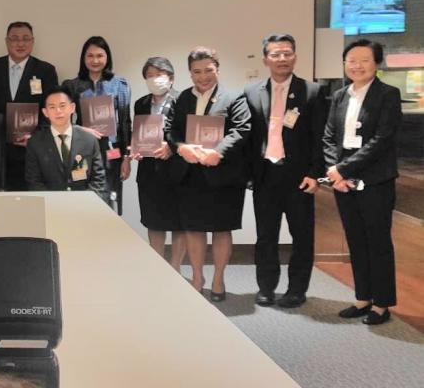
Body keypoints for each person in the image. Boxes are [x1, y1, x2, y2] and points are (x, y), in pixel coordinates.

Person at [323, 39, 402, 326]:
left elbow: (382, 140)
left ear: (377, 63)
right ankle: (363, 298)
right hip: (344, 182)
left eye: (364, 60)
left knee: (377, 241)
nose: (357, 66)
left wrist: (342, 169)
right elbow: (329, 136)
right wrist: (335, 171)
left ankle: (382, 304)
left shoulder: (388, 95)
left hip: (375, 180)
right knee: (355, 239)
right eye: (351, 60)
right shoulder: (340, 95)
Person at [244, 35, 325, 308]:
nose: (282, 59)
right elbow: (248, 137)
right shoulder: (251, 92)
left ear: (295, 57)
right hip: (265, 176)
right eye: (276, 54)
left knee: (302, 236)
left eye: (287, 53)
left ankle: (296, 290)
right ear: (265, 59)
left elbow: (319, 137)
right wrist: (248, 174)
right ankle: (266, 288)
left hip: (299, 178)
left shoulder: (312, 91)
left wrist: (315, 174)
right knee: (266, 236)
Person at [164, 46, 250, 301]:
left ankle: (218, 279)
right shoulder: (182, 98)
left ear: (217, 69)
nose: (203, 76)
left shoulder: (234, 97)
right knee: (194, 229)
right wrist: (181, 147)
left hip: (223, 175)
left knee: (222, 229)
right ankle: (198, 277)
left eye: (208, 70)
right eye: (197, 71)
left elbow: (241, 129)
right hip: (190, 174)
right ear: (190, 73)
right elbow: (170, 130)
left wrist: (219, 152)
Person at [0, 21, 59, 191]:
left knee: (31, 195)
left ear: (32, 41)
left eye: (25, 39)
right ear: (6, 41)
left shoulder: (46, 70)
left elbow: (51, 109)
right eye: (15, 39)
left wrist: (36, 136)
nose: (20, 43)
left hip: (32, 147)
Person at [61, 36, 131, 210]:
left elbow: (125, 123)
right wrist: (80, 129)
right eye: (90, 56)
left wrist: (126, 158)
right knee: (82, 203)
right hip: (81, 151)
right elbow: (61, 122)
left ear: (107, 57)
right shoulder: (72, 85)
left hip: (111, 153)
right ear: (83, 58)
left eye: (100, 56)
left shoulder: (119, 85)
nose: (95, 60)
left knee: (109, 202)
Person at [130, 56, 184, 269]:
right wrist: (135, 149)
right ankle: (159, 266)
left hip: (177, 170)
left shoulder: (184, 100)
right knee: (153, 221)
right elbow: (138, 134)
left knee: (179, 223)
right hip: (149, 171)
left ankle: (176, 267)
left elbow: (189, 133)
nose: (154, 79)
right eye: (150, 75)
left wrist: (173, 147)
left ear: (171, 77)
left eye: (159, 74)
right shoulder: (141, 104)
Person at [25, 87, 105, 196]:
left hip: (84, 203)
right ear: (45, 112)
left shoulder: (89, 140)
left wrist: (84, 202)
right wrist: (55, 203)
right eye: (52, 107)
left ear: (72, 108)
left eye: (62, 106)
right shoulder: (35, 143)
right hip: (51, 204)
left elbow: (98, 179)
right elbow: (34, 182)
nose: (58, 111)